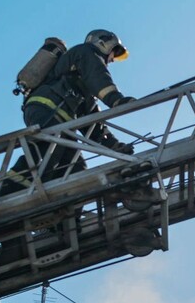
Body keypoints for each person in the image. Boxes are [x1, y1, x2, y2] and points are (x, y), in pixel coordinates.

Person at [8, 30, 137, 188]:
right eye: (113, 53)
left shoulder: (81, 79)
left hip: (60, 119)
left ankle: (62, 209)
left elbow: (91, 119)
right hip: (47, 107)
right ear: (103, 43)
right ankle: (8, 192)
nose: (112, 60)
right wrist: (116, 100)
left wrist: (114, 145)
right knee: (49, 151)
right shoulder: (86, 53)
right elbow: (99, 77)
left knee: (75, 167)